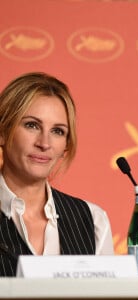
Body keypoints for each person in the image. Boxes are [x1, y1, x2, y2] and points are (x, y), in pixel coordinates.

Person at [0, 72, 114, 277]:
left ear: (65, 146)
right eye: (31, 125)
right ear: (3, 132)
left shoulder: (93, 220)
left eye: (58, 131)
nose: (44, 143)